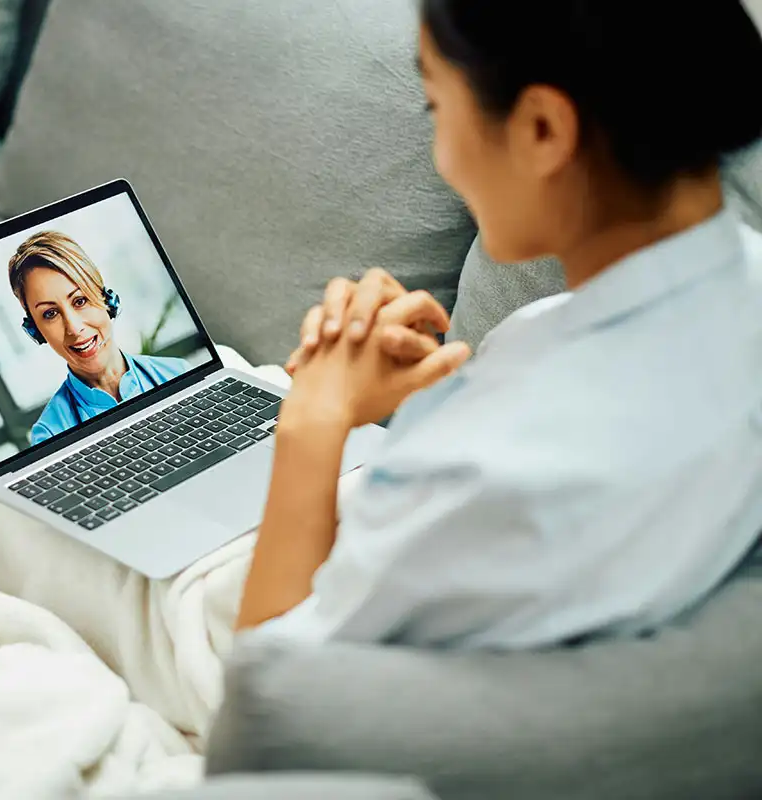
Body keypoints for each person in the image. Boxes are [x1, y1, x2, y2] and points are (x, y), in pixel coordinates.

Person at [237, 0, 762, 648]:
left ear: (542, 129)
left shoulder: (491, 470)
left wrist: (313, 422)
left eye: (436, 107)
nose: (442, 158)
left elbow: (265, 703)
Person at [8, 231, 190, 446]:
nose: (74, 329)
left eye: (80, 301)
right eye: (50, 314)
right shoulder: (49, 435)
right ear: (36, 331)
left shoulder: (179, 373)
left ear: (106, 300)